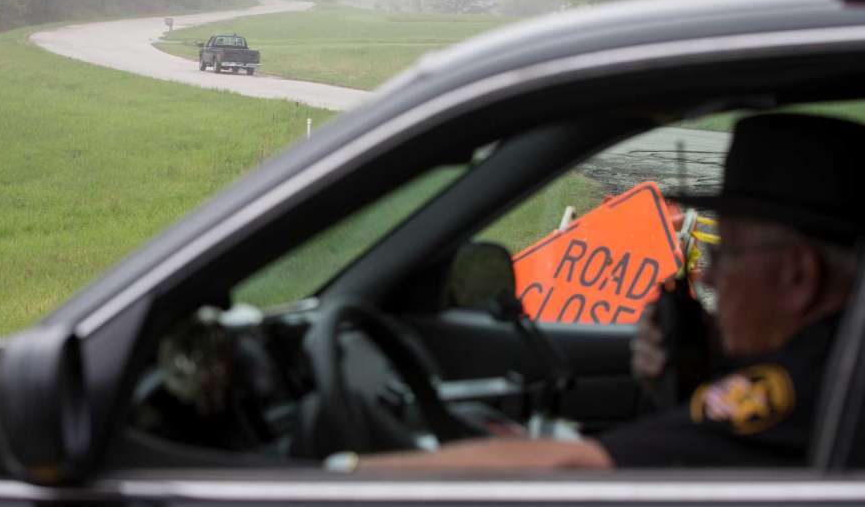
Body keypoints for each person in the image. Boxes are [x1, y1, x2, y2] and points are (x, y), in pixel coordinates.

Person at [356, 113, 863, 471]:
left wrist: (348, 474)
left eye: (724, 255)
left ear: (799, 276)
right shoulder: (838, 364)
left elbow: (573, 467)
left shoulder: (793, 388)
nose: (706, 277)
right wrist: (695, 372)